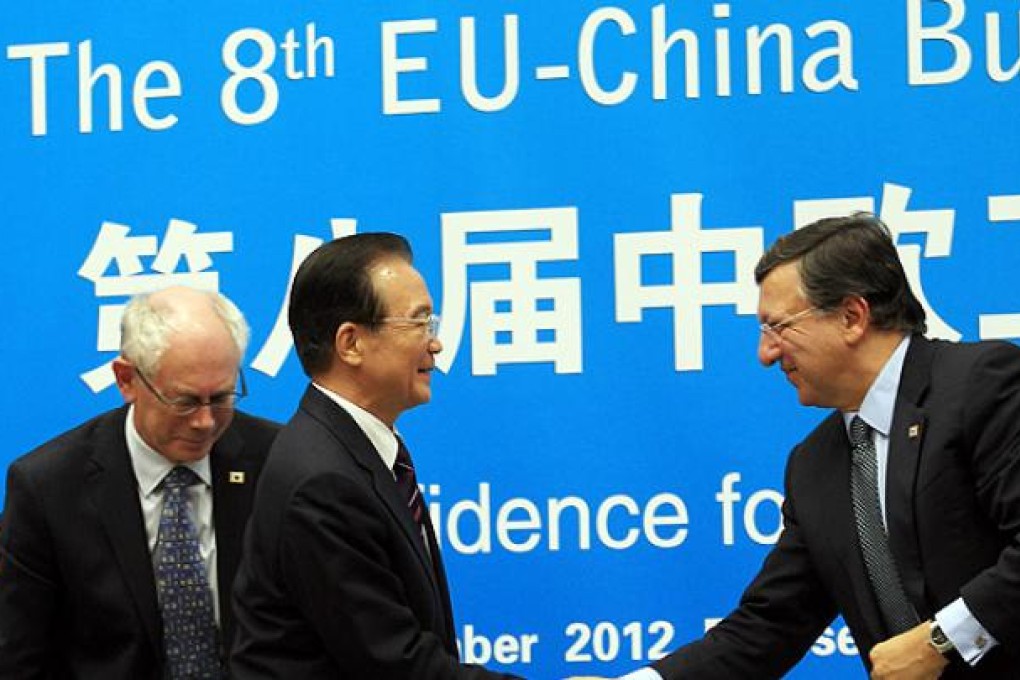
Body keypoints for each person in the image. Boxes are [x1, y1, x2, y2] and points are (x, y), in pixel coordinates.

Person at [572, 214, 1020, 679]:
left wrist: (942, 640)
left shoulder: (981, 386)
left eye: (778, 327)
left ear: (852, 316)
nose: (765, 354)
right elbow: (769, 625)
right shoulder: (815, 464)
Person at [230, 232, 522, 679]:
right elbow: (395, 663)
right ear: (350, 343)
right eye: (419, 323)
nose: (436, 343)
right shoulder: (323, 481)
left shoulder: (351, 447)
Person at [0, 286, 280, 679]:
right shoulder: (48, 487)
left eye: (221, 397)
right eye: (183, 402)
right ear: (126, 379)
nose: (205, 422)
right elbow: (20, 656)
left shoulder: (276, 462)